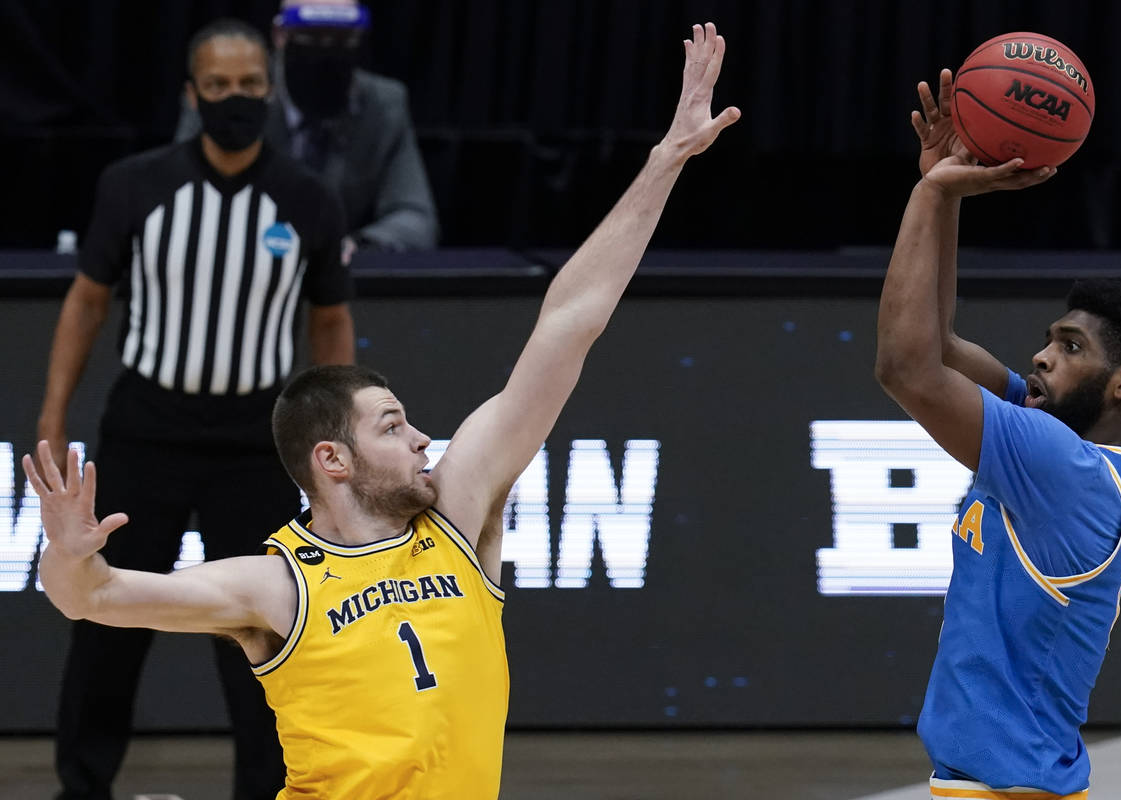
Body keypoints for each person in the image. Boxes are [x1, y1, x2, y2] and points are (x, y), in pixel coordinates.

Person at [28, 22, 738, 800]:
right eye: (394, 426)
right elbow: (91, 598)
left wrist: (664, 162)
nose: (425, 437)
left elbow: (570, 322)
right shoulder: (278, 585)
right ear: (333, 459)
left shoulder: (457, 514)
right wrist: (67, 553)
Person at [35, 18, 355, 800]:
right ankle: (82, 785)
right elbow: (86, 302)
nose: (234, 99)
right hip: (147, 428)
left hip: (255, 439)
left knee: (262, 627)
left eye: (249, 85)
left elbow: (330, 319)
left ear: (270, 91)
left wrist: (337, 434)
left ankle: (271, 789)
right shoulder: (135, 185)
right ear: (192, 94)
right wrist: (52, 414)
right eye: (218, 86)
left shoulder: (308, 198)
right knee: (105, 619)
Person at [875, 70, 1121, 799]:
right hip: (1003, 782)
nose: (1043, 355)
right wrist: (945, 191)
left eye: (1072, 347)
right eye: (1049, 340)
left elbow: (904, 366)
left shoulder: (1062, 466)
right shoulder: (1059, 438)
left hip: (1009, 789)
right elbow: (939, 343)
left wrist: (928, 196)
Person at [175, 1, 439, 256]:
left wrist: (355, 247)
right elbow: (181, 203)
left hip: (340, 279)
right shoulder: (230, 97)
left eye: (340, 39)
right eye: (311, 37)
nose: (325, 51)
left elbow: (415, 218)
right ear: (280, 35)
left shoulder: (383, 104)